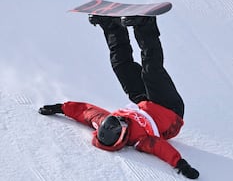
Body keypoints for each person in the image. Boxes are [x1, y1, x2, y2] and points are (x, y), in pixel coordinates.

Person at [39, 15, 199, 179]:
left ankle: (112, 26)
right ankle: (145, 25)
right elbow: (162, 149)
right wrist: (181, 164)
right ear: (122, 136)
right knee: (151, 72)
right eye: (119, 124)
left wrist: (61, 108)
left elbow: (86, 112)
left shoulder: (103, 122)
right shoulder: (141, 141)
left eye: (112, 120)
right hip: (169, 109)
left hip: (143, 101)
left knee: (121, 66)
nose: (117, 119)